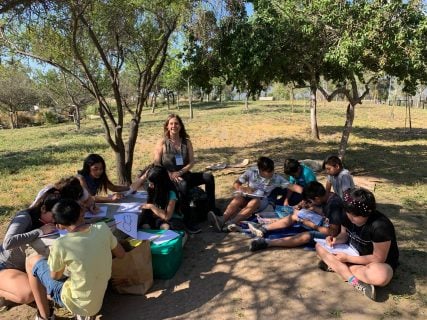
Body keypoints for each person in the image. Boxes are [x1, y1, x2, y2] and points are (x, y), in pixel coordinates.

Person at [26, 199, 125, 320]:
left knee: (31, 261)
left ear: (59, 226)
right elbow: (121, 254)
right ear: (82, 213)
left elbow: (55, 276)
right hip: (97, 298)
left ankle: (44, 316)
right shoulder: (102, 228)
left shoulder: (61, 244)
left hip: (77, 302)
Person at [315, 187, 399, 301]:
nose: (351, 218)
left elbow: (378, 258)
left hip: (373, 262)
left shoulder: (381, 226)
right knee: (319, 246)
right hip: (351, 252)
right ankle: (353, 280)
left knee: (381, 276)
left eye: (355, 216)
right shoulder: (346, 215)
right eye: (349, 214)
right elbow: (344, 235)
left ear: (367, 214)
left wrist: (347, 259)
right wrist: (335, 240)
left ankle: (337, 267)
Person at [153, 114, 218, 231]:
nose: (174, 126)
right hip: (169, 177)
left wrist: (181, 172)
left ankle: (211, 208)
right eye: (171, 124)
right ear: (167, 126)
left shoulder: (186, 142)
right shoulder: (162, 142)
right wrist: (169, 173)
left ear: (181, 126)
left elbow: (192, 161)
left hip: (184, 174)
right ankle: (188, 221)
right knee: (183, 186)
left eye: (176, 123)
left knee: (208, 177)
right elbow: (157, 163)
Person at [208, 156, 303, 233]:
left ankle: (232, 223)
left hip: (262, 201)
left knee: (255, 201)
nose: (271, 173)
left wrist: (308, 193)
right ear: (260, 170)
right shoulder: (251, 172)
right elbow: (236, 184)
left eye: (272, 171)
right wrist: (242, 188)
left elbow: (293, 187)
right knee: (238, 199)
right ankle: (222, 220)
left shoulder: (276, 178)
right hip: (247, 197)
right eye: (268, 172)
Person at [0, 193, 60, 310]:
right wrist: (40, 231)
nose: (55, 220)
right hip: (5, 265)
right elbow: (8, 242)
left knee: (42, 285)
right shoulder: (24, 217)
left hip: (25, 265)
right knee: (27, 294)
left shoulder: (43, 218)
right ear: (43, 208)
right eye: (53, 216)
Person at [248, 181, 343, 252]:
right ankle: (264, 228)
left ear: (317, 198)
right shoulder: (327, 195)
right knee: (296, 215)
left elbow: (332, 232)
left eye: (311, 201)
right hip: (323, 221)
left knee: (306, 236)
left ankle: (268, 243)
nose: (311, 203)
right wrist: (313, 208)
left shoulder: (334, 205)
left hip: (329, 231)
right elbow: (326, 213)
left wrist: (310, 225)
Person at [139, 166, 185, 231]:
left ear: (160, 184)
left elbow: (167, 217)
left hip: (171, 219)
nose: (150, 186)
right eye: (149, 183)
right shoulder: (153, 189)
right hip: (157, 217)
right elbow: (133, 187)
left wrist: (151, 207)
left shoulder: (171, 194)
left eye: (152, 184)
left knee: (165, 227)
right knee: (145, 226)